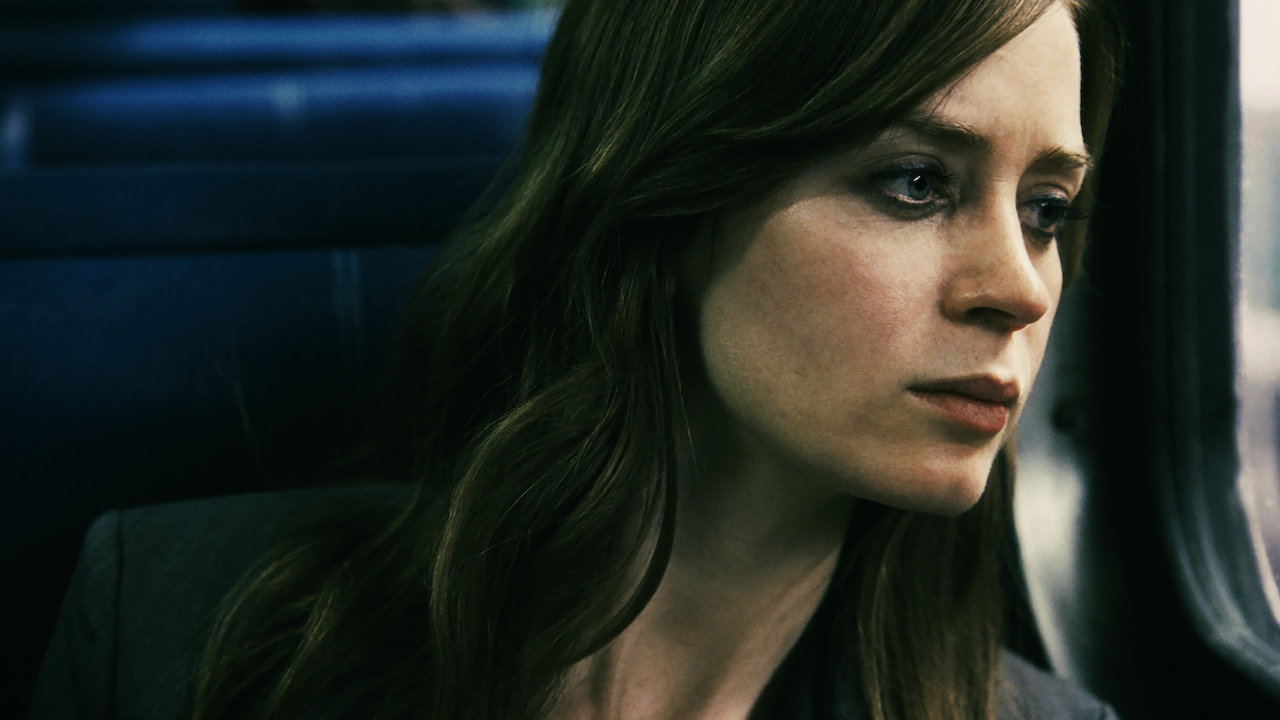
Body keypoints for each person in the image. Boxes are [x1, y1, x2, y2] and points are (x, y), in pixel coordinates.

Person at [30, 0, 1122, 718]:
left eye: (1046, 210)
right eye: (915, 183)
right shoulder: (178, 631)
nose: (1022, 288)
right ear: (671, 205)